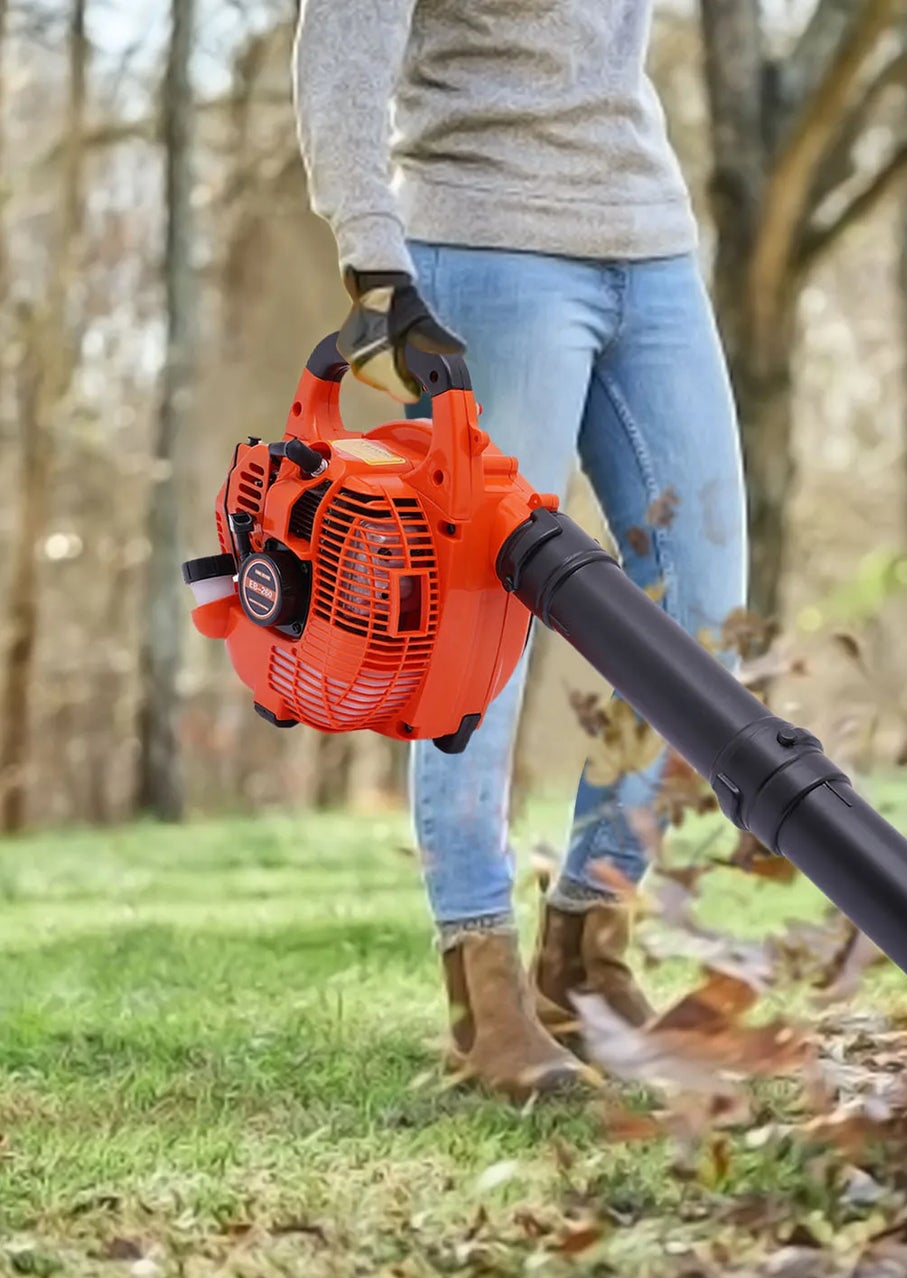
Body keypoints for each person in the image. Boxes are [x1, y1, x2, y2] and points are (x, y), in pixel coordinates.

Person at [293, 0, 747, 1099]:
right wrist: (373, 263)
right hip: (486, 240)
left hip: (647, 235)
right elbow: (343, 47)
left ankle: (586, 943)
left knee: (701, 611)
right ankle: (481, 990)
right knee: (474, 637)